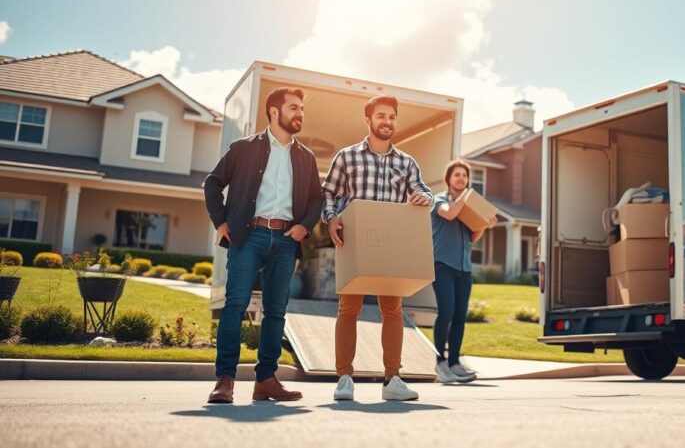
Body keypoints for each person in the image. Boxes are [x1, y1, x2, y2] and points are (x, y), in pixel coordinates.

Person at [203, 87, 324, 404]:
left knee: (276, 312)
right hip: (249, 235)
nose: (299, 113)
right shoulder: (244, 148)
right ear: (274, 112)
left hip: (286, 240)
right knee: (235, 304)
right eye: (294, 107)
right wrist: (221, 221)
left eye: (302, 109)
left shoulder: (306, 157)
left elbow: (316, 199)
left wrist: (303, 227)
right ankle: (225, 380)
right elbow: (212, 183)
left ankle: (266, 381)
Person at [323, 95, 432, 402]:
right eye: (381, 116)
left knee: (393, 312)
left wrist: (424, 198)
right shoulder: (347, 157)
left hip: (391, 246)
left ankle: (392, 379)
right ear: (367, 119)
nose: (387, 122)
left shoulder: (406, 162)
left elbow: (423, 191)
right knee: (349, 310)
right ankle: (344, 377)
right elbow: (329, 193)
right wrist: (331, 220)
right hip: (356, 242)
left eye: (392, 117)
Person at [430, 160, 496, 383]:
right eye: (456, 175)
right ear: (448, 179)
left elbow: (472, 237)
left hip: (464, 268)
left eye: (464, 176)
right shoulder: (438, 200)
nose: (461, 179)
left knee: (460, 316)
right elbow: (449, 214)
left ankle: (455, 362)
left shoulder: (468, 207)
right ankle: (440, 362)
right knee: (446, 311)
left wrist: (484, 223)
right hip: (442, 265)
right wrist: (467, 200)